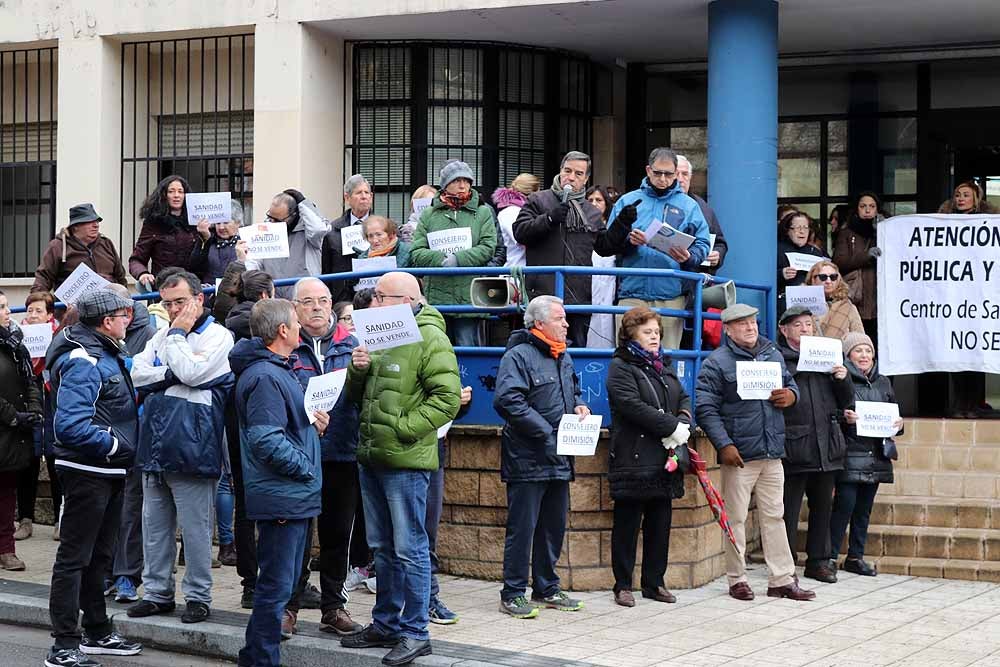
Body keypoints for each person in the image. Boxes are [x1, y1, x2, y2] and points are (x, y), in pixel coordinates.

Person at [341, 272, 460, 667]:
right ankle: (386, 623)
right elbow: (360, 397)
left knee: (410, 549)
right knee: (383, 548)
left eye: (380, 296)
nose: (372, 304)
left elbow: (447, 398)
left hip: (405, 461)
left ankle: (414, 632)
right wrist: (358, 370)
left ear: (407, 299)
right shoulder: (380, 333)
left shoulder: (431, 337)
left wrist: (405, 429)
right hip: (373, 456)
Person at [127, 271, 235, 624]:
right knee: (155, 527)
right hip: (155, 442)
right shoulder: (159, 336)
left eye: (180, 302)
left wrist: (175, 343)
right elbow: (137, 375)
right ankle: (157, 593)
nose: (173, 310)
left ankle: (198, 596)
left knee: (196, 528)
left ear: (199, 299)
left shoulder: (219, 336)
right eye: (167, 303)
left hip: (193, 443)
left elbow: (191, 373)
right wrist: (170, 373)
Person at [45, 288, 143, 667]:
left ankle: (97, 631)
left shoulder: (104, 352)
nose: (129, 320)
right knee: (75, 558)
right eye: (123, 315)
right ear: (106, 321)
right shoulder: (84, 359)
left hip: (106, 469)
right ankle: (64, 645)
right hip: (89, 470)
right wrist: (116, 446)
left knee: (99, 556)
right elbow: (69, 425)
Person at [229, 299, 327, 667]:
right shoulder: (266, 377)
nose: (301, 325)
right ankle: (259, 660)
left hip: (291, 495)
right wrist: (305, 467)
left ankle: (256, 656)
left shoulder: (275, 370)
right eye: (295, 321)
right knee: (275, 587)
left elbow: (285, 429)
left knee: (279, 585)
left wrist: (311, 427)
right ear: (282, 331)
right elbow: (266, 439)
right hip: (284, 494)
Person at [695, 303, 815, 602]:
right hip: (740, 454)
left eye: (753, 322)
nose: (750, 328)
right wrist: (724, 445)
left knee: (776, 515)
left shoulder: (772, 353)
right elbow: (705, 408)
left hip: (772, 450)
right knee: (734, 518)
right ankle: (737, 579)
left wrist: (791, 396)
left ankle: (782, 579)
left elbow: (790, 385)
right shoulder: (716, 363)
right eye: (742, 324)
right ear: (728, 330)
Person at [494, 295, 590, 619]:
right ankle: (513, 593)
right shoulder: (518, 355)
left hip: (559, 458)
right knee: (522, 529)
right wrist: (547, 432)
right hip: (527, 457)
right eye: (560, 318)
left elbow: (572, 390)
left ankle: (547, 588)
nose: (566, 324)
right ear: (539, 323)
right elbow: (507, 400)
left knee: (553, 527)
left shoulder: (564, 355)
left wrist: (578, 405)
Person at [280, 278, 363, 638]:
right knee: (294, 536)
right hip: (297, 455)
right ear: (294, 308)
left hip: (342, 453)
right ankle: (288, 607)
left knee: (337, 536)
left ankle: (333, 607)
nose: (317, 307)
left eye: (323, 300)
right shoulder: (284, 346)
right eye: (308, 301)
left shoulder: (353, 344)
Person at [606, 306, 691, 607]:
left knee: (660, 524)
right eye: (647, 332)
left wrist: (684, 420)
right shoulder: (621, 366)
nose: (654, 337)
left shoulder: (663, 364)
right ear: (631, 334)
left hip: (663, 458)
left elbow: (682, 396)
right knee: (627, 526)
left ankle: (654, 583)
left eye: (656, 332)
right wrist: (672, 426)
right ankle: (622, 585)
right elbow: (631, 405)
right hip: (633, 456)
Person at [601, 147, 711, 350]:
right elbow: (607, 242)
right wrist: (627, 242)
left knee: (666, 358)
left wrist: (689, 257)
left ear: (676, 173)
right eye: (657, 172)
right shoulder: (627, 201)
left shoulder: (689, 206)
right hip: (631, 292)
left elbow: (703, 244)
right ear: (648, 170)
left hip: (670, 295)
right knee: (627, 357)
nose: (662, 178)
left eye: (668, 174)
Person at [776, 306, 853, 584]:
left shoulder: (829, 356)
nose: (805, 329)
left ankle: (819, 562)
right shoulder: (778, 359)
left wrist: (843, 378)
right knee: (788, 509)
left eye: (808, 324)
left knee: (823, 506)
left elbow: (847, 401)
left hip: (827, 444)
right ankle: (784, 563)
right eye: (797, 325)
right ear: (784, 331)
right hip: (794, 444)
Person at [512, 152, 605, 347]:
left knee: (577, 355)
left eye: (578, 174)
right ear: (560, 171)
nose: (571, 177)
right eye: (567, 171)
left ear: (586, 179)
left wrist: (622, 225)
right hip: (543, 295)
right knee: (539, 351)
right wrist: (549, 219)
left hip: (577, 299)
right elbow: (520, 232)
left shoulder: (592, 212)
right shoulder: (538, 200)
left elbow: (605, 246)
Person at [829, 332, 901, 578]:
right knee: (844, 506)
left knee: (864, 509)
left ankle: (855, 557)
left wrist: (899, 425)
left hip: (876, 456)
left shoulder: (884, 382)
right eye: (858, 351)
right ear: (848, 355)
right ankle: (829, 556)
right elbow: (832, 413)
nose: (864, 355)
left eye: (868, 351)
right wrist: (844, 418)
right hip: (850, 452)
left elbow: (894, 417)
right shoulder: (841, 379)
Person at [224, 269, 275, 609]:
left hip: (235, 416)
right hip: (258, 415)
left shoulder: (228, 322)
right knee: (266, 502)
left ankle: (250, 583)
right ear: (264, 297)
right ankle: (264, 580)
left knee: (244, 502)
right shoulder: (261, 327)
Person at [103, 284, 157, 604]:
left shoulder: (147, 334)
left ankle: (127, 575)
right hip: (103, 436)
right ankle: (105, 571)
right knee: (106, 508)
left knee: (131, 508)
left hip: (135, 434)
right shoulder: (98, 335)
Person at [409, 160, 497, 348]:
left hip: (470, 295)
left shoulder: (482, 212)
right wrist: (441, 260)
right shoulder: (429, 214)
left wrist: (459, 259)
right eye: (457, 181)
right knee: (437, 349)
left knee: (468, 348)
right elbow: (417, 252)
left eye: (467, 181)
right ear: (445, 185)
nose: (463, 185)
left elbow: (489, 246)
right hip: (438, 297)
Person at [937, 181, 995, 418]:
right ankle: (959, 404)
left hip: (978, 300)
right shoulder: (942, 222)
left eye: (966, 195)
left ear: (976, 198)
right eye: (957, 195)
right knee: (955, 354)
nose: (961, 199)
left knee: (976, 353)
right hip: (953, 300)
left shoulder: (989, 222)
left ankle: (974, 403)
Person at [0, 290, 42, 570]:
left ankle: (6, 550)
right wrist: (13, 415)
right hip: (9, 424)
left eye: (5, 306)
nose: (7, 312)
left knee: (6, 493)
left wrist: (35, 409)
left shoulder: (15, 345)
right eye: (1, 307)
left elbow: (31, 380)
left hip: (13, 435)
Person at [14, 291, 58, 543]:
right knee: (27, 461)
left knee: (54, 459)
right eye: (29, 310)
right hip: (28, 400)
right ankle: (26, 520)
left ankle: (58, 520)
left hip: (51, 402)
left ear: (50, 315)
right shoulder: (18, 338)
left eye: (38, 311)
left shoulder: (58, 336)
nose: (32, 315)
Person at [247, 189, 329, 299]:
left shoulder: (309, 232)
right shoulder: (266, 229)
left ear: (293, 215)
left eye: (278, 220)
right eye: (270, 217)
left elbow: (319, 229)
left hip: (304, 299)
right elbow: (254, 262)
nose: (273, 223)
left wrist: (303, 203)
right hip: (275, 299)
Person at [32, 203, 128, 294]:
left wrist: (126, 302)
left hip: (109, 307)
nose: (96, 225)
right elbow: (43, 278)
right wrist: (36, 302)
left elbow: (120, 277)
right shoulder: (57, 246)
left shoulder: (106, 243)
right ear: (75, 226)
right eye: (89, 221)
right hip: (70, 309)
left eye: (97, 221)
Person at [129, 176, 199, 290]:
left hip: (192, 287)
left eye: (180, 191)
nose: (176, 195)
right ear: (164, 195)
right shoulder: (153, 224)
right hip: (164, 288)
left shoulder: (197, 223)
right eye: (171, 191)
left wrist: (206, 236)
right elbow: (136, 259)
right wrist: (142, 274)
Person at [833, 191, 883, 342]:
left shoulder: (884, 231)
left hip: (879, 294)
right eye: (863, 206)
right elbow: (839, 261)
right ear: (857, 209)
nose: (867, 210)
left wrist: (879, 232)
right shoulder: (847, 233)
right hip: (857, 295)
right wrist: (866, 256)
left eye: (872, 206)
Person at [322, 175, 374, 302]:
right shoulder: (333, 230)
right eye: (359, 193)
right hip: (342, 297)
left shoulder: (383, 227)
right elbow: (326, 270)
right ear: (347, 197)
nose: (364, 196)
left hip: (373, 295)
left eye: (367, 193)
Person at [676, 155, 728, 273]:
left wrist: (717, 255)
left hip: (695, 278)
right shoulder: (659, 202)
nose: (680, 179)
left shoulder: (703, 207)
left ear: (690, 177)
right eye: (676, 173)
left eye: (684, 174)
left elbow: (719, 241)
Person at [586, 185, 617, 349]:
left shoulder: (612, 228)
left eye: (599, 200)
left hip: (608, 288)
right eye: (590, 200)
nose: (594, 203)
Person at [804, 260, 863, 341]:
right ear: (813, 279)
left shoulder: (849, 308)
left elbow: (860, 340)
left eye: (833, 277)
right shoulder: (801, 302)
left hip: (839, 352)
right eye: (823, 277)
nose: (828, 281)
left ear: (838, 280)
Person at [188, 200, 244, 284]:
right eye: (218, 223)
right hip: (210, 294)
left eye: (226, 222)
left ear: (238, 223)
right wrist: (205, 239)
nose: (221, 227)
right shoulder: (209, 241)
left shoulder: (245, 242)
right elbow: (195, 267)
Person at [778, 210, 829, 299]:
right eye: (797, 227)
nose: (802, 231)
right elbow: (763, 277)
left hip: (812, 301)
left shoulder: (815, 252)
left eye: (806, 228)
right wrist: (781, 274)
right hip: (785, 301)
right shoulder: (777, 250)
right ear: (787, 230)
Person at [493, 174, 540, 268]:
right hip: (515, 269)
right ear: (533, 193)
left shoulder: (512, 211)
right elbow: (522, 239)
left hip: (524, 268)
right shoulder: (511, 212)